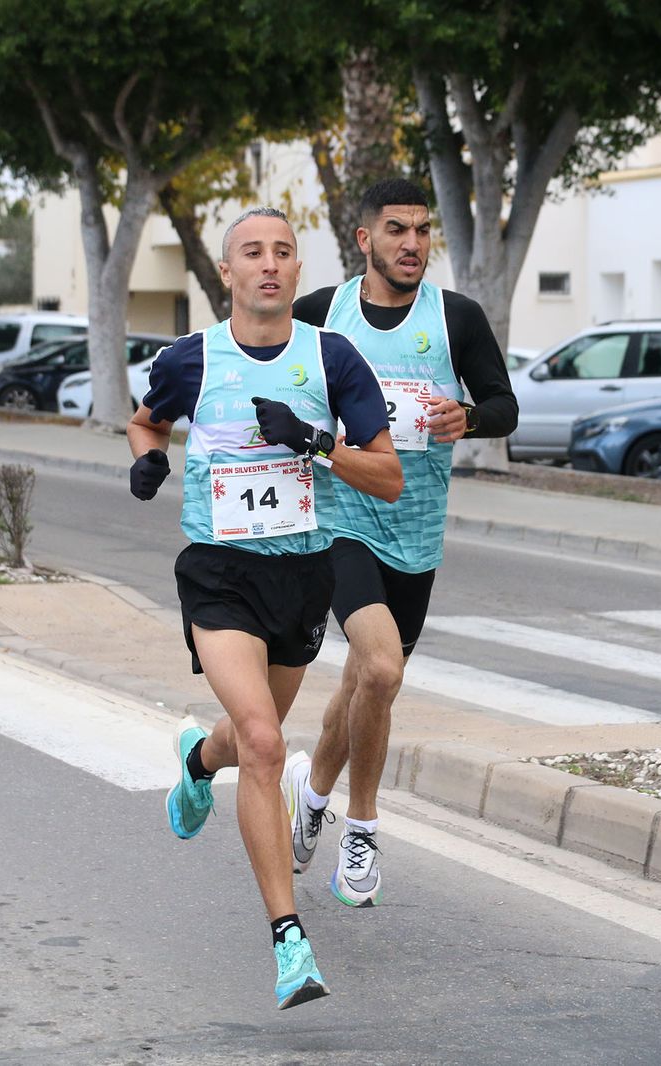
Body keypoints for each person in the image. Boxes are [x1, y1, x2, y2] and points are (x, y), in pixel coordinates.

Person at [127, 207, 401, 1010]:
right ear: (229, 273)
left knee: (248, 746)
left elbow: (387, 476)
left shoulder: (332, 357)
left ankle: (194, 765)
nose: (271, 265)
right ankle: (290, 943)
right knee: (264, 739)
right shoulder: (193, 359)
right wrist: (147, 462)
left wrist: (313, 443)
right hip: (219, 573)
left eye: (284, 252)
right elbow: (146, 424)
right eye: (254, 252)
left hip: (300, 575)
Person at [284, 178, 517, 907]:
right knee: (382, 671)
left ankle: (310, 796)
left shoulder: (457, 318)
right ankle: (362, 832)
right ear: (365, 240)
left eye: (422, 231)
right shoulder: (324, 314)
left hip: (415, 532)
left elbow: (505, 405)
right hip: (339, 520)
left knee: (361, 684)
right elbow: (268, 370)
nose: (412, 244)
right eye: (396, 230)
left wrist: (467, 418)